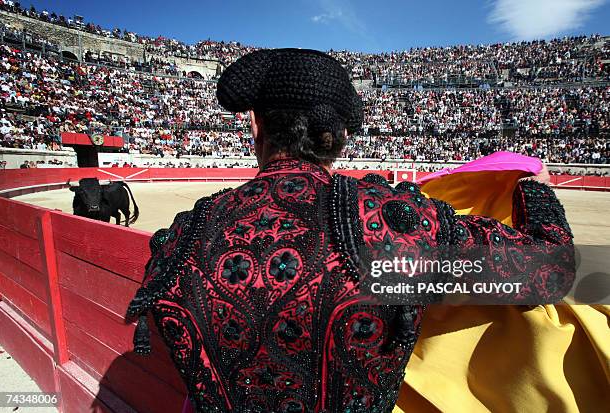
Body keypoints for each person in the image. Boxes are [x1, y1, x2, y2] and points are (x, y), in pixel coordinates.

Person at [127, 49, 574, 412]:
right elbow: (551, 269)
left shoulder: (183, 236)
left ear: (255, 125)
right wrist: (534, 189)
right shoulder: (387, 226)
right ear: (340, 136)